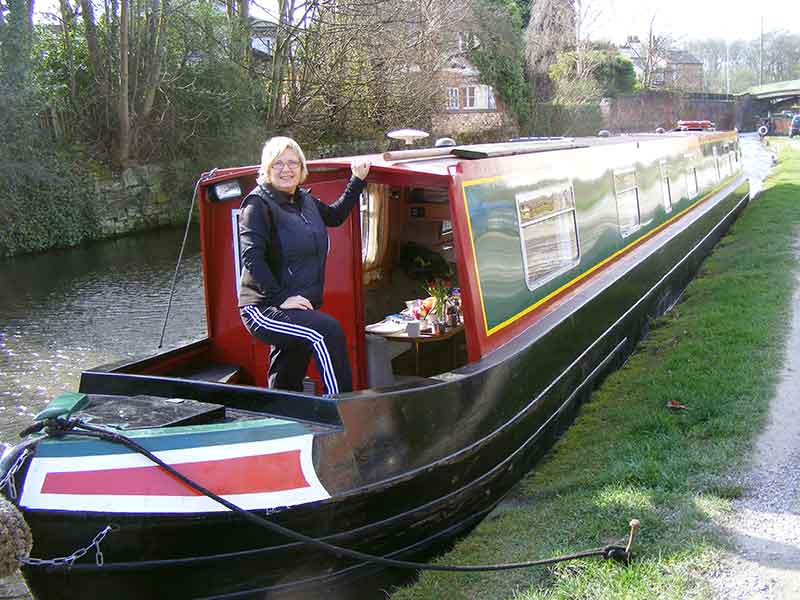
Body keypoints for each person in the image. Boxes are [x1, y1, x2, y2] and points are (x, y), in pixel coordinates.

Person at [238, 136, 371, 395]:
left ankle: (281, 411)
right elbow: (251, 258)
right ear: (266, 169)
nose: (286, 169)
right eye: (278, 163)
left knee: (288, 372)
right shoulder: (257, 205)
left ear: (301, 168)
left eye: (292, 163)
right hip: (263, 307)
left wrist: (357, 181)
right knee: (327, 331)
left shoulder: (304, 200)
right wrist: (281, 298)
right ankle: (343, 408)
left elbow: (335, 216)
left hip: (298, 305)